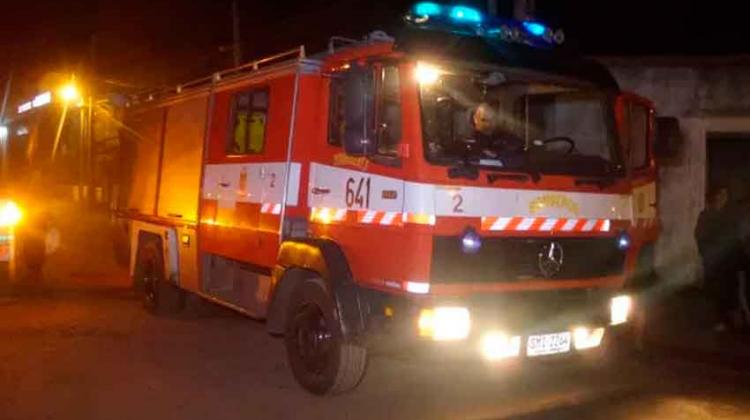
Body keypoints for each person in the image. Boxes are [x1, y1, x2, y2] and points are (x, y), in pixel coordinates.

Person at [695, 185, 742, 332]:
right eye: (720, 195)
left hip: (729, 261)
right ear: (714, 197)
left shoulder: (729, 215)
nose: (723, 199)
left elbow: (735, 235)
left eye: (725, 196)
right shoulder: (707, 216)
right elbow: (701, 237)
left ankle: (731, 319)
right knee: (718, 292)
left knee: (731, 289)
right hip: (716, 261)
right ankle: (721, 320)